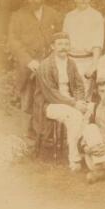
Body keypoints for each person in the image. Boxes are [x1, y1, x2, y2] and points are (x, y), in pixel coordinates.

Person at [8, 0, 62, 137]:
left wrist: (53, 59)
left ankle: (47, 134)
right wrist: (28, 61)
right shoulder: (17, 16)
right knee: (28, 101)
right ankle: (27, 138)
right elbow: (13, 41)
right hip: (28, 66)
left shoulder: (53, 14)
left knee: (49, 99)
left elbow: (60, 38)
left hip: (49, 65)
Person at [32, 32, 88, 172]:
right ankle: (74, 159)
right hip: (49, 105)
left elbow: (79, 85)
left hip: (71, 103)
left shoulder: (71, 63)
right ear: (52, 47)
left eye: (66, 44)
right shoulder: (45, 65)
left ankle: (89, 153)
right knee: (75, 116)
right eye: (60, 44)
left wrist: (80, 101)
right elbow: (51, 94)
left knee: (91, 109)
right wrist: (74, 104)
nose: (64, 47)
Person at [63, 0, 104, 96]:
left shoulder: (96, 16)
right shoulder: (69, 16)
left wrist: (94, 64)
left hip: (87, 61)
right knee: (69, 92)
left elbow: (98, 43)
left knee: (85, 95)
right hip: (71, 60)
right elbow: (64, 41)